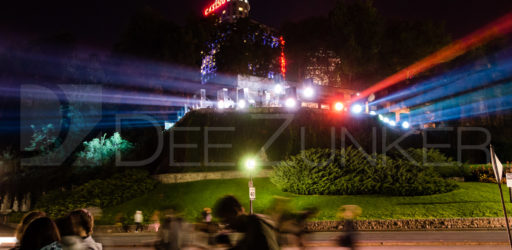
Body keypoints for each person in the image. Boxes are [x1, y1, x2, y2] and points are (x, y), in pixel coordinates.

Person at [213, 195, 279, 250]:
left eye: (227, 220)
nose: (228, 226)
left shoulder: (255, 223)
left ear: (235, 212)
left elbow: (245, 247)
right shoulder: (255, 221)